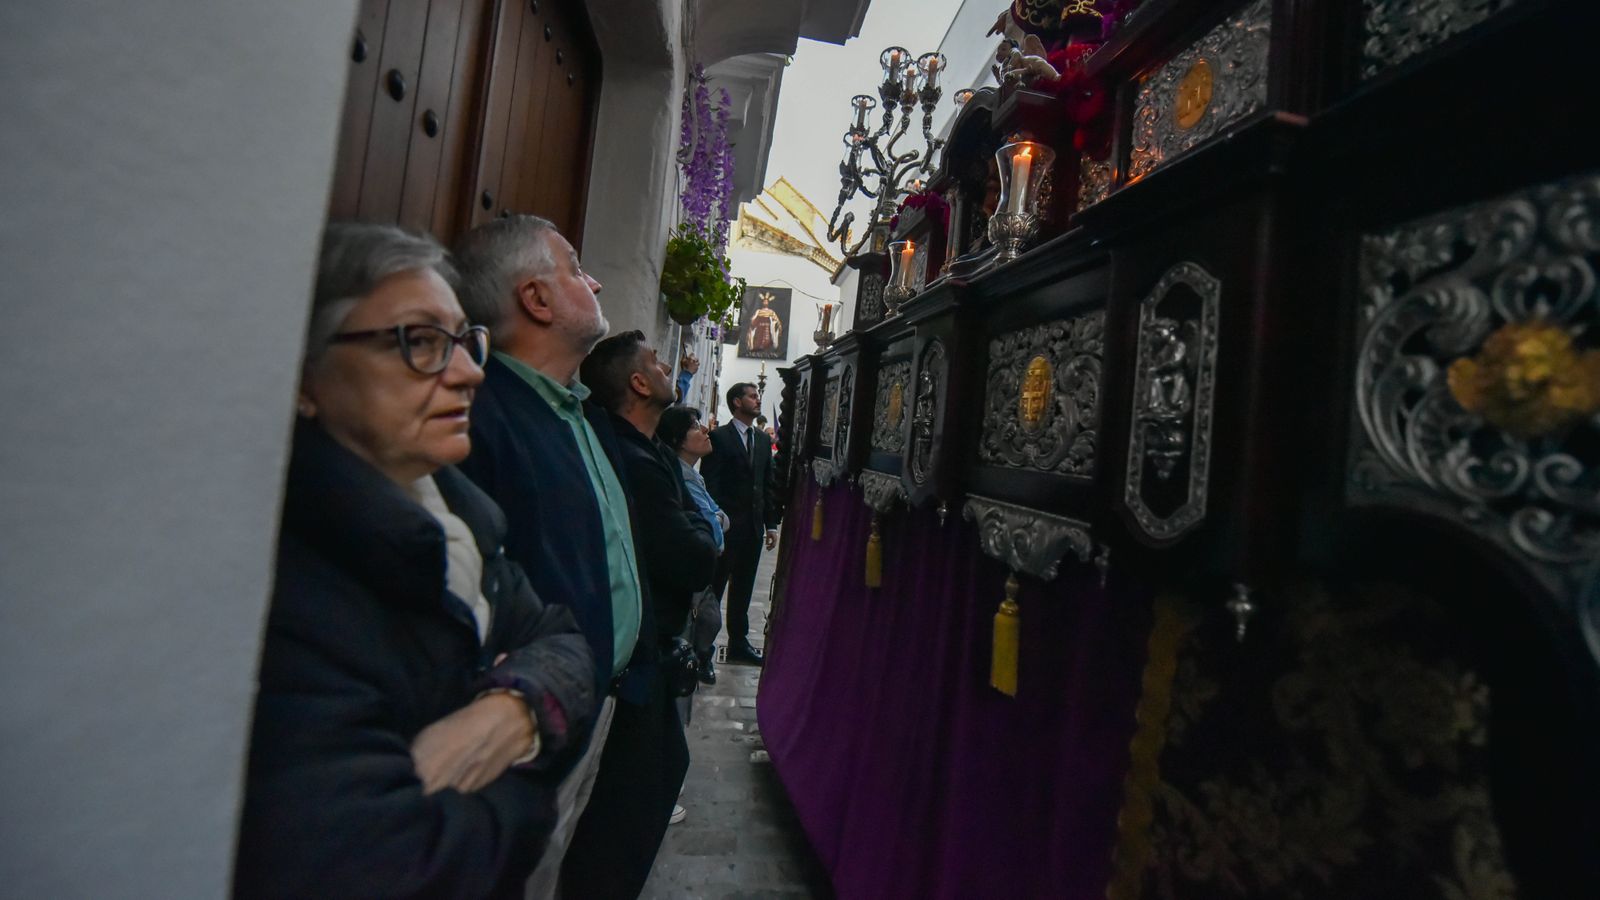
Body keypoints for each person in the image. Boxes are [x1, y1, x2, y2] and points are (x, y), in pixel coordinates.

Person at [235, 223, 597, 899]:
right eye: (420, 343)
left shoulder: (459, 513)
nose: (467, 372)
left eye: (463, 341)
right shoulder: (288, 585)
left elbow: (562, 638)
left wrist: (512, 713)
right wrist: (530, 795)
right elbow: (383, 864)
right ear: (305, 377)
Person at [453, 215, 683, 898]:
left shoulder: (582, 414)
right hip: (541, 718)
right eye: (575, 267)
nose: (596, 278)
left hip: (610, 698)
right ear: (537, 300)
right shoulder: (483, 416)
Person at [582, 334, 718, 828]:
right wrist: (705, 523)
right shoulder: (635, 460)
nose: (670, 366)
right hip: (640, 652)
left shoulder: (649, 450)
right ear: (638, 383)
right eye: (658, 363)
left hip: (654, 642)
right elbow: (695, 558)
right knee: (634, 797)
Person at [700, 382, 782, 667]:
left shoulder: (761, 440)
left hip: (753, 528)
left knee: (743, 588)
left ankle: (738, 643)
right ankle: (703, 648)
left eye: (757, 395)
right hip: (727, 526)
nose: (757, 399)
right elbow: (711, 484)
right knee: (716, 587)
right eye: (751, 395)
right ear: (737, 402)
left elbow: (766, 484)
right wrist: (717, 521)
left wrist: (771, 524)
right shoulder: (719, 437)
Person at [659, 405, 728, 686]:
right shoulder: (682, 474)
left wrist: (716, 519)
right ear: (677, 439)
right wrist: (716, 520)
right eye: (694, 426)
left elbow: (721, 518)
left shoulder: (691, 473)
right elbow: (714, 525)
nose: (704, 430)